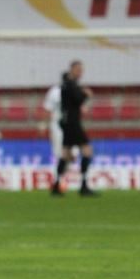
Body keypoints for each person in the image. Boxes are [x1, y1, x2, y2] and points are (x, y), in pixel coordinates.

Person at [51, 61, 97, 196]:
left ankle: (56, 185)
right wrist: (86, 94)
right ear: (72, 70)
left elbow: (71, 102)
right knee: (87, 151)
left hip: (66, 122)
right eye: (78, 70)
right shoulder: (71, 84)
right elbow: (77, 99)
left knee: (66, 153)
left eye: (81, 70)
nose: (80, 72)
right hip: (72, 123)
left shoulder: (66, 84)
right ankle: (83, 185)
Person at [41, 81, 64, 185]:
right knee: (58, 153)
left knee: (73, 154)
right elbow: (47, 109)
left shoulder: (75, 90)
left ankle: (62, 177)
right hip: (57, 125)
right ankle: (58, 180)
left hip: (71, 125)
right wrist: (44, 124)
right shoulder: (54, 92)